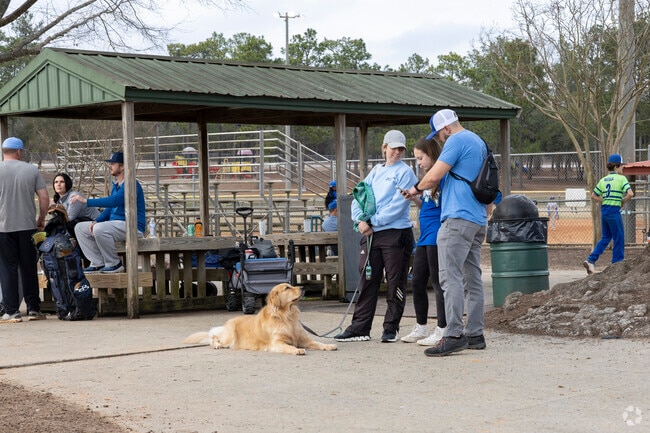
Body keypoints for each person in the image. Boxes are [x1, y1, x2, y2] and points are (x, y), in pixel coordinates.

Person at [407, 109, 488, 356]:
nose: (439, 141)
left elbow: (434, 176)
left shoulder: (456, 140)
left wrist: (415, 189)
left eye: (439, 136)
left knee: (448, 276)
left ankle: (452, 333)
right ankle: (475, 333)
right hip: (477, 218)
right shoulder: (478, 141)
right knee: (472, 277)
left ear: (446, 129)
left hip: (457, 217)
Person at [334, 130, 417, 343]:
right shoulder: (376, 172)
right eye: (393, 148)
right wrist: (360, 220)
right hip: (371, 233)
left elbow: (398, 206)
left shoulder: (405, 172)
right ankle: (360, 327)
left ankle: (391, 328)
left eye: (400, 149)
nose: (396, 152)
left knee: (395, 281)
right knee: (367, 279)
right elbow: (359, 195)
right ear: (384, 147)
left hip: (395, 233)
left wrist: (373, 221)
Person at [399, 136, 447, 345]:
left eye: (420, 157)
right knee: (418, 280)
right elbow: (427, 205)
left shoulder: (441, 177)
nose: (418, 162)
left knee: (437, 281)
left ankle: (443, 328)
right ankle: (420, 326)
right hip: (425, 235)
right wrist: (414, 198)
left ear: (431, 154)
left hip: (437, 234)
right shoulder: (426, 180)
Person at [0, 137, 49, 323]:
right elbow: (44, 198)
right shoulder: (31, 170)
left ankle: (11, 311)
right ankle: (34, 309)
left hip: (3, 227)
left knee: (7, 268)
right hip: (28, 226)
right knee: (29, 267)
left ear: (4, 151)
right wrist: (41, 218)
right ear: (19, 152)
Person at [72, 151, 146, 274]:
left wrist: (86, 201)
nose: (110, 166)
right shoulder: (116, 185)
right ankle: (97, 262)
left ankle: (114, 263)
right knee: (80, 228)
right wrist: (96, 221)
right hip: (116, 225)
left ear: (122, 166)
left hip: (133, 227)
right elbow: (110, 209)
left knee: (100, 229)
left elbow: (114, 201)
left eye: (113, 163)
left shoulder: (131, 183)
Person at [583, 154, 634, 275]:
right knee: (619, 237)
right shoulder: (621, 179)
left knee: (605, 238)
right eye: (621, 166)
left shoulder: (603, 180)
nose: (622, 168)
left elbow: (594, 195)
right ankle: (617, 263)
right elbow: (630, 193)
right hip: (614, 211)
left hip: (604, 211)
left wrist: (604, 200)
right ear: (616, 166)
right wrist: (622, 201)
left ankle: (591, 260)